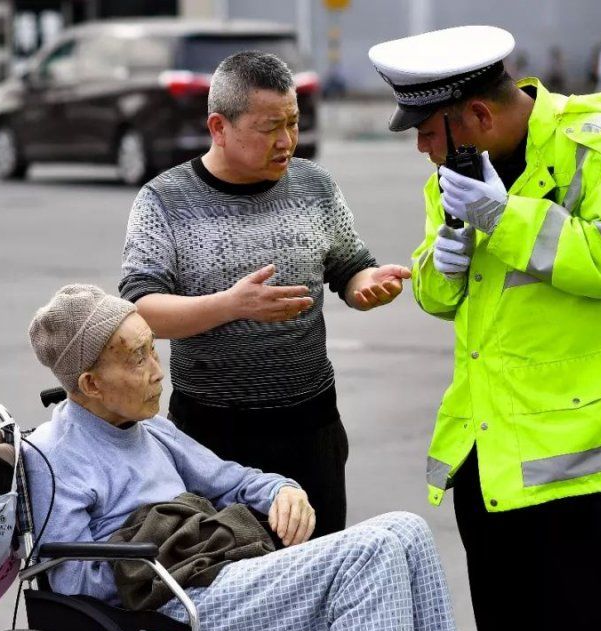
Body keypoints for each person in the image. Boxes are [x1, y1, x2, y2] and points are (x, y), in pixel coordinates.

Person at [368, 26, 601, 631]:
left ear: (479, 114)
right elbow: (441, 299)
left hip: (585, 462)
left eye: (427, 132)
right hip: (492, 458)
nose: (422, 150)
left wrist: (504, 218)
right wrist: (445, 260)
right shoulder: (454, 174)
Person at [24, 284, 457, 631]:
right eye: (138, 358)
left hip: (214, 575)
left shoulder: (151, 428)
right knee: (369, 552)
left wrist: (280, 490)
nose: (158, 371)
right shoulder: (53, 456)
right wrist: (165, 548)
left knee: (407, 529)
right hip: (165, 606)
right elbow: (72, 585)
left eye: (154, 350)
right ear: (90, 384)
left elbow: (233, 480)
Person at [119, 52, 411, 539]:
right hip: (210, 437)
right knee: (226, 584)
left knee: (319, 576)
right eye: (269, 127)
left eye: (293, 123)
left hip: (311, 426)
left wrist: (368, 287)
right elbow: (142, 311)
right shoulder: (164, 200)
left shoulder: (315, 186)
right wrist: (230, 305)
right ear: (219, 126)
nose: (287, 141)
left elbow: (350, 266)